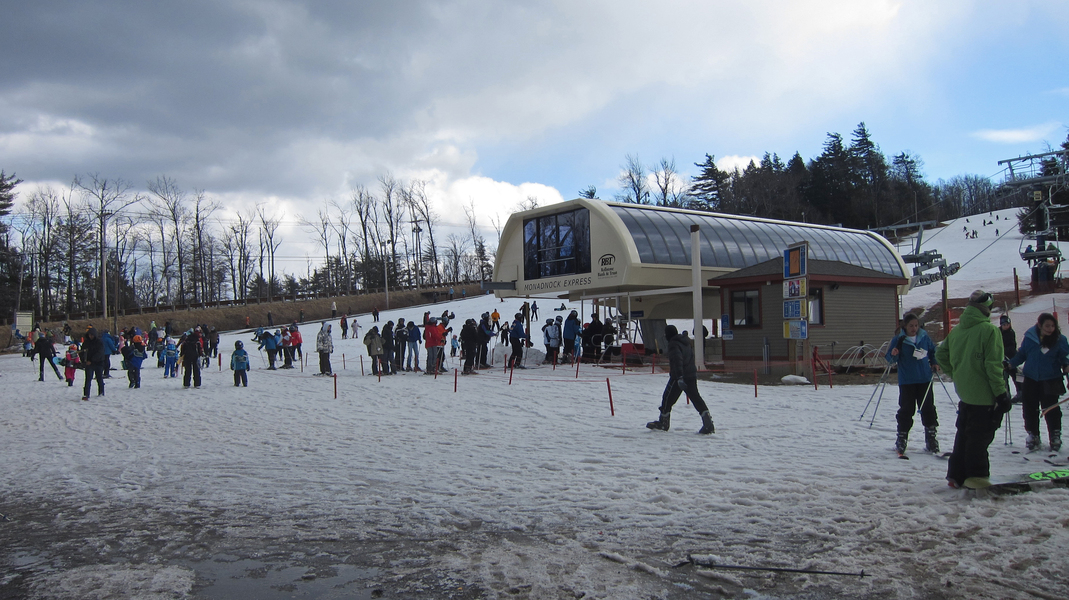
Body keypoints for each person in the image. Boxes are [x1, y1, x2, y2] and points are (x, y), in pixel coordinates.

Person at [936, 290, 1011, 489]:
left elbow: (941, 354)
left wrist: (957, 373)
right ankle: (976, 476)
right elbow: (993, 366)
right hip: (984, 395)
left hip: (965, 392)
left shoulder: (958, 330)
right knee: (979, 437)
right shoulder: (989, 331)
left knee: (963, 434)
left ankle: (956, 474)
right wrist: (1001, 393)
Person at [1007, 312, 1067, 452]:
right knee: (1030, 408)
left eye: (1053, 326)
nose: (1050, 329)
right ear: (1039, 325)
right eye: (1047, 326)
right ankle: (1033, 434)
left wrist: (1066, 365)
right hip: (1031, 378)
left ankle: (1055, 435)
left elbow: (1065, 356)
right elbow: (1022, 354)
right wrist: (1010, 364)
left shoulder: (1060, 339)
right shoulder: (1030, 337)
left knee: (1051, 408)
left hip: (1051, 379)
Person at [886, 314, 940, 454]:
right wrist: (893, 354)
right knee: (906, 410)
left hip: (925, 379)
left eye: (916, 325)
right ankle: (902, 439)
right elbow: (890, 359)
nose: (914, 328)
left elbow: (932, 351)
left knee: (928, 408)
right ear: (905, 326)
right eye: (911, 326)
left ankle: (931, 439)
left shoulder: (924, 337)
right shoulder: (899, 339)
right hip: (907, 380)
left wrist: (935, 362)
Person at [646, 325, 715, 435]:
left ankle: (663, 422)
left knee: (667, 398)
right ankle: (708, 423)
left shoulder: (673, 344)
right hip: (691, 375)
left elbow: (677, 361)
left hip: (679, 376)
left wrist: (679, 377)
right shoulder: (685, 342)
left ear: (668, 335)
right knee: (696, 398)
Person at [80, 327, 107, 400]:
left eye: (92, 335)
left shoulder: (99, 342)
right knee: (88, 379)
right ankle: (86, 394)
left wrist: (92, 360)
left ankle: (101, 392)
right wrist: (84, 361)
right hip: (89, 364)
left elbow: (100, 353)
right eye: (89, 335)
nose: (90, 336)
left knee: (99, 378)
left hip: (98, 363)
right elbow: (82, 352)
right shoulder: (86, 342)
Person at [999, 315, 1021, 401]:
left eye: (1007, 324)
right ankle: (1006, 394)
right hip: (1002, 359)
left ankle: (1020, 392)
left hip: (1011, 358)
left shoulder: (1010, 333)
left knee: (1015, 375)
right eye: (1004, 325)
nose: (1006, 326)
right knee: (1004, 377)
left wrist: (1005, 351)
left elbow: (1012, 346)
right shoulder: (998, 332)